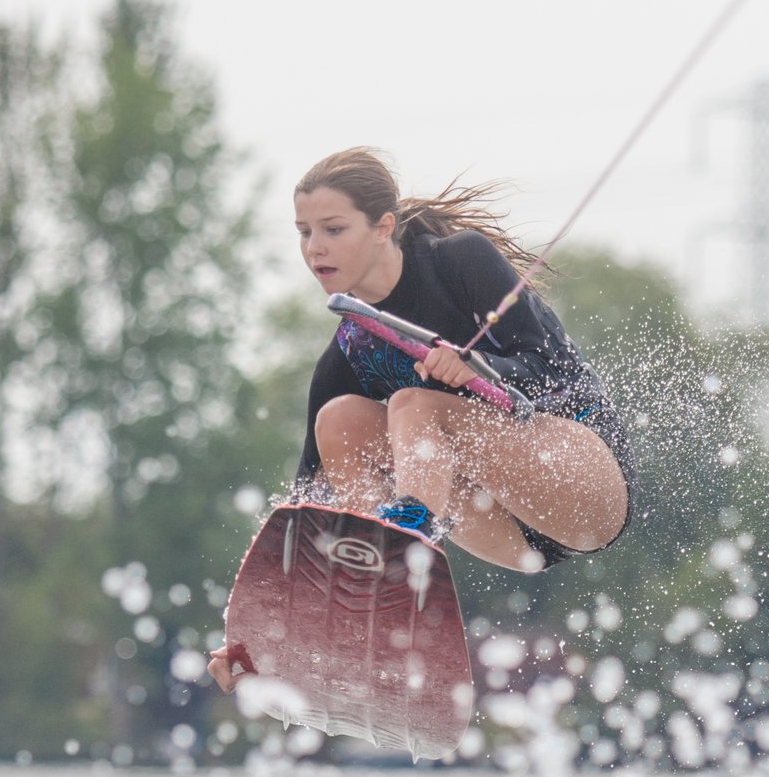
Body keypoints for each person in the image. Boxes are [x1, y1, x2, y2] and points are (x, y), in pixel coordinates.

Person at [207, 147, 636, 690]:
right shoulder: (347, 353)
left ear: (383, 227)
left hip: (583, 479)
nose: (315, 248)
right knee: (339, 420)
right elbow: (302, 508)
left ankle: (401, 542)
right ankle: (372, 597)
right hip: (511, 536)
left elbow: (555, 370)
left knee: (413, 404)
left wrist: (477, 368)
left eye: (333, 229)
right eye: (304, 232)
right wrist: (251, 638)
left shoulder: (459, 262)